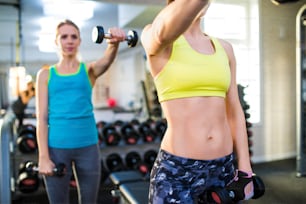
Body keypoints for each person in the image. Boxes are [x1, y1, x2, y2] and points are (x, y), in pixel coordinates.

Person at [141, 0, 255, 203]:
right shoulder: (156, 38)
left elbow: (234, 109)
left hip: (223, 169)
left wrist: (244, 168)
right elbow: (161, 32)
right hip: (178, 172)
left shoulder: (225, 48)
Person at [35, 19, 126, 204]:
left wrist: (113, 44)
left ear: (79, 41)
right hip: (56, 147)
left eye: (74, 36)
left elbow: (107, 61)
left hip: (88, 146)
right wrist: (43, 157)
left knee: (89, 201)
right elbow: (42, 119)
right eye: (64, 37)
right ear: (56, 41)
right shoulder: (45, 75)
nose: (69, 41)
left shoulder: (88, 70)